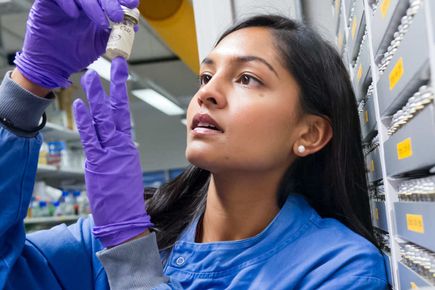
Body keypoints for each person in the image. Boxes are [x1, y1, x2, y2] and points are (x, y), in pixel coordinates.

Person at [0, 0, 388, 289]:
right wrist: (28, 85)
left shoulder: (339, 268)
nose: (207, 94)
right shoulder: (125, 231)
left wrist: (131, 258)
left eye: (248, 78)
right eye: (206, 76)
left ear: (310, 134)